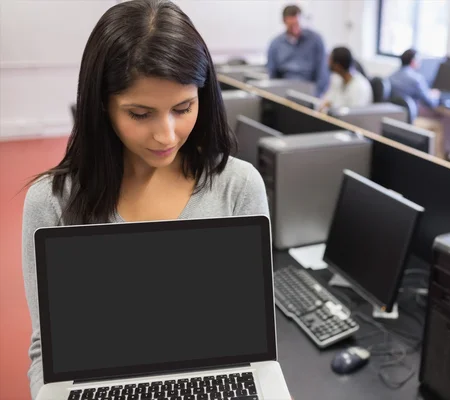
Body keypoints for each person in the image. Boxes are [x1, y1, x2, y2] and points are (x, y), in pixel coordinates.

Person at [21, 1, 268, 398]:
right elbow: (45, 352)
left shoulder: (238, 186)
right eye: (140, 114)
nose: (167, 135)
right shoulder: (50, 202)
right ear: (101, 106)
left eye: (183, 108)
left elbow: (254, 343)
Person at [266, 5, 329, 97]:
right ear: (284, 21)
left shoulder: (315, 40)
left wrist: (315, 96)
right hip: (285, 92)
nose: (295, 29)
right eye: (291, 25)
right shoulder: (275, 44)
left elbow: (322, 73)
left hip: (310, 91)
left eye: (297, 24)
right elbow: (272, 74)